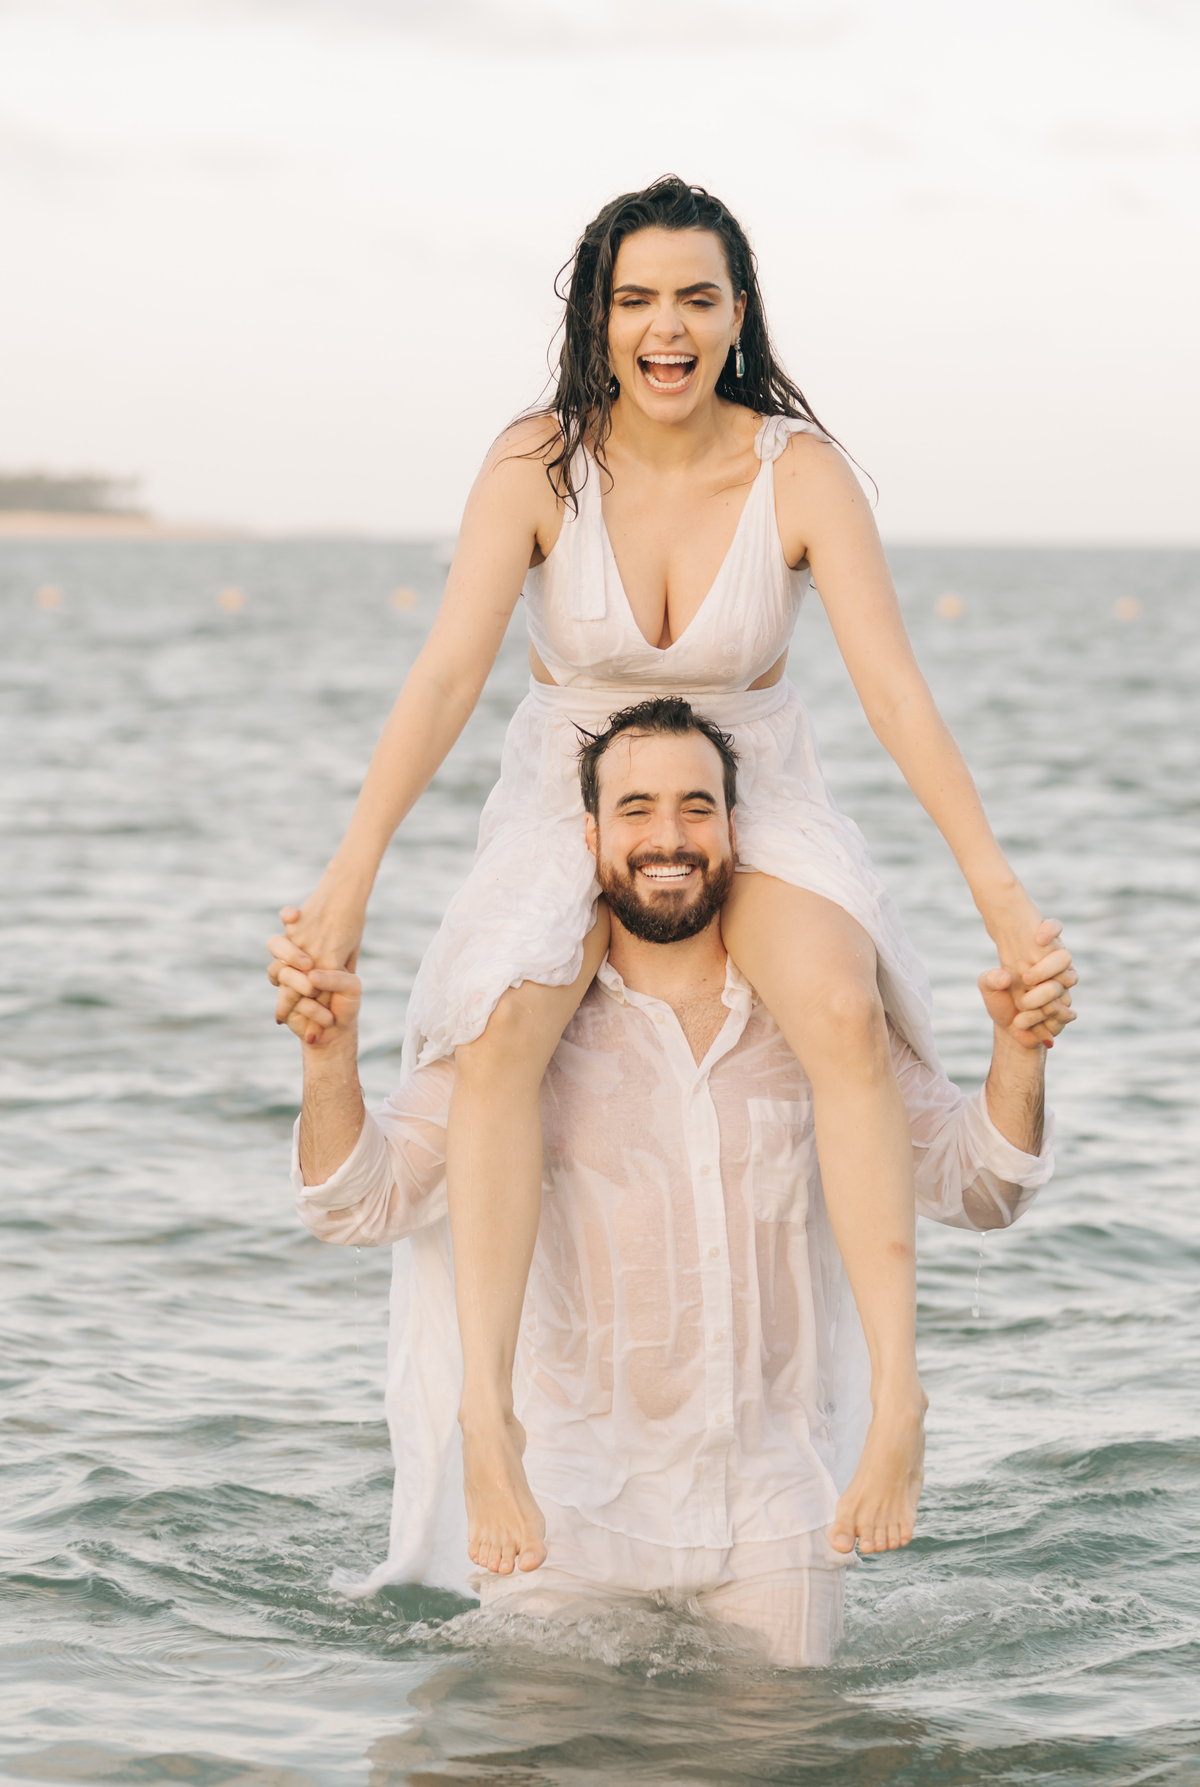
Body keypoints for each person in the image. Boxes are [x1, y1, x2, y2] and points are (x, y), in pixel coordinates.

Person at [269, 176, 1076, 1578]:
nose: (667, 327)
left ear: (738, 314)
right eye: (637, 298)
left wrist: (997, 894)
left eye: (698, 298)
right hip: (568, 784)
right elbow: (451, 672)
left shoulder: (798, 472)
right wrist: (350, 879)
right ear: (596, 315)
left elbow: (892, 688)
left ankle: (898, 1396)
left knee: (833, 1006)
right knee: (518, 1007)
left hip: (742, 786)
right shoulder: (537, 462)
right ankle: (493, 1419)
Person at [271, 700, 1070, 1666]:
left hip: (776, 1510)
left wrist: (1018, 1050)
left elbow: (981, 1192)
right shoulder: (516, 1049)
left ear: (735, 832)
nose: (669, 838)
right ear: (591, 836)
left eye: (698, 808)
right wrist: (328, 1055)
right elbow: (356, 1204)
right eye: (637, 808)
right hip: (559, 1512)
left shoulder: (822, 1038)